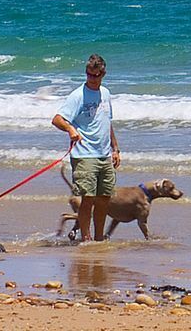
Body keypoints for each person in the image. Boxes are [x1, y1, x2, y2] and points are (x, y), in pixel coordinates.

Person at [51, 53, 120, 242]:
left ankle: (99, 238)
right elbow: (57, 119)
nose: (92, 79)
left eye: (96, 75)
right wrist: (71, 129)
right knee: (87, 199)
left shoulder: (105, 93)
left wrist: (115, 149)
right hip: (84, 154)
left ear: (103, 74)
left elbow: (108, 122)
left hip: (104, 154)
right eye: (89, 75)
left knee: (104, 199)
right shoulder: (77, 95)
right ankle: (86, 239)